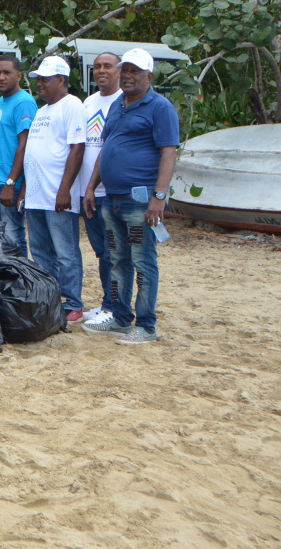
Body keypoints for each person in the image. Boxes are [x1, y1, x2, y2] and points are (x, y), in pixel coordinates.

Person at [82, 48, 179, 345]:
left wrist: (158, 197)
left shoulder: (160, 107)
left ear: (149, 76)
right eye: (125, 70)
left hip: (141, 199)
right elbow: (105, 148)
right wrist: (90, 188)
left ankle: (146, 325)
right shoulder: (117, 105)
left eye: (135, 71)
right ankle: (122, 319)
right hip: (112, 198)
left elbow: (169, 152)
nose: (128, 76)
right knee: (117, 259)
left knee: (143, 261)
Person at [21, 55, 87, 322]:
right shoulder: (41, 110)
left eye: (45, 79)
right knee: (39, 252)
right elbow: (32, 153)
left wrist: (65, 189)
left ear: (61, 80)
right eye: (38, 79)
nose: (40, 84)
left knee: (65, 251)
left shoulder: (71, 105)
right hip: (36, 195)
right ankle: (50, 299)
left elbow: (77, 147)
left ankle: (74, 304)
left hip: (57, 195)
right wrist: (25, 189)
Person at [74, 51, 123, 326]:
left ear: (119, 70)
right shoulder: (88, 102)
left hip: (108, 192)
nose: (101, 71)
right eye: (97, 67)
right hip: (86, 191)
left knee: (112, 252)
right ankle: (107, 303)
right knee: (100, 251)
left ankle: (114, 307)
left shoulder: (123, 102)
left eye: (107, 66)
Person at [0, 55, 36, 257]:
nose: (1, 77)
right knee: (0, 239)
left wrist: (11, 182)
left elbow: (25, 145)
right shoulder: (0, 101)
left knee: (13, 238)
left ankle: (21, 283)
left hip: (10, 184)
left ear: (19, 75)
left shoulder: (24, 102)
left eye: (7, 72)